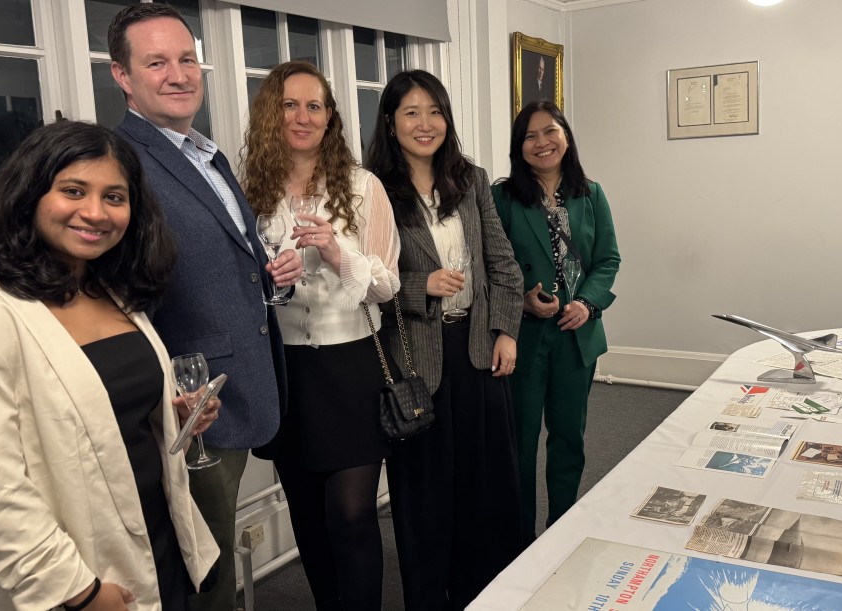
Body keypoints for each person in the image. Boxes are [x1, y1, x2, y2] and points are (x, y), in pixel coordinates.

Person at [0, 121, 220, 610]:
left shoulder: (112, 294)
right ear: (29, 196)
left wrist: (180, 415)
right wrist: (80, 593)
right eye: (73, 191)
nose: (95, 212)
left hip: (159, 540)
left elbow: (106, 424)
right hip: (82, 576)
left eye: (114, 197)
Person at [107, 2, 302, 611]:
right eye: (157, 61)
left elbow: (235, 265)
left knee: (212, 552)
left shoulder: (207, 154)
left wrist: (276, 279)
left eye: (187, 58)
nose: (179, 74)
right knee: (199, 567)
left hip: (240, 384)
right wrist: (166, 390)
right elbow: (118, 293)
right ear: (122, 76)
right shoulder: (121, 162)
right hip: (190, 405)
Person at [242, 61, 400, 610]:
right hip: (289, 370)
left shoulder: (362, 187)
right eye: (290, 104)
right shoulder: (250, 192)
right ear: (271, 113)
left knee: (352, 512)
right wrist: (269, 283)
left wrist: (338, 253)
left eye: (315, 105)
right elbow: (245, 288)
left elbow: (387, 286)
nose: (303, 116)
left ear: (331, 116)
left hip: (352, 364)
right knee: (308, 514)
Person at [364, 69, 524, 609]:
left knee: (486, 487)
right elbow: (365, 281)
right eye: (411, 112)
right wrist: (419, 286)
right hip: (415, 360)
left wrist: (506, 331)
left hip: (478, 349)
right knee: (426, 495)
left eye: (434, 111)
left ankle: (488, 593)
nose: (425, 124)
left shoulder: (472, 180)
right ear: (390, 122)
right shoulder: (373, 190)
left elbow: (502, 263)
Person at [492, 102, 620, 544]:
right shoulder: (502, 197)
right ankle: (519, 539)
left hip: (576, 336)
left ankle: (560, 532)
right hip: (524, 338)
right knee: (521, 445)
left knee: (569, 439)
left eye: (550, 132)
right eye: (530, 136)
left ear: (566, 136)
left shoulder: (592, 194)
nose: (542, 142)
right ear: (518, 147)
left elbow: (607, 260)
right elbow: (493, 263)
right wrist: (523, 300)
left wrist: (587, 302)